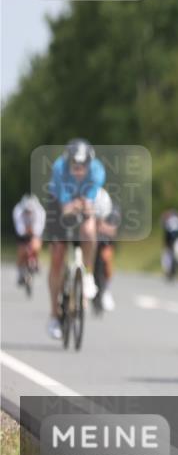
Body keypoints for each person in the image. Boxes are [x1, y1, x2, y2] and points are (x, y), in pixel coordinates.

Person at [45, 139, 105, 340]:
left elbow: (90, 201)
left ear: (89, 163)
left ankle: (87, 274)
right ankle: (54, 315)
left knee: (89, 230)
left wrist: (84, 205)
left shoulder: (97, 170)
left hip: (83, 202)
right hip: (59, 204)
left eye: (82, 166)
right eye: (74, 166)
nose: (78, 170)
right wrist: (72, 206)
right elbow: (65, 207)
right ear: (68, 162)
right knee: (57, 257)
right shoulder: (59, 169)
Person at [93, 188, 121, 311]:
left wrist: (99, 226)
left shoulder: (113, 209)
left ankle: (106, 290)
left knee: (106, 258)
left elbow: (112, 230)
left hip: (105, 242)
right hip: (89, 241)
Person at [12, 193, 45, 287]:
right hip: (22, 233)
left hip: (35, 232)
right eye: (27, 211)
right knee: (21, 252)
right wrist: (27, 230)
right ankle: (20, 272)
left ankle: (36, 260)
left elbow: (38, 230)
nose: (29, 213)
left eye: (31, 211)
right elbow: (20, 230)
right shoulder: (17, 210)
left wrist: (33, 234)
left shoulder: (40, 211)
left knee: (36, 245)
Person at [161, 209, 178, 277]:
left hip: (175, 239)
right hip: (177, 238)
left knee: (171, 254)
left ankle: (171, 270)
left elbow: (166, 231)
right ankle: (173, 269)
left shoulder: (169, 221)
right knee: (175, 255)